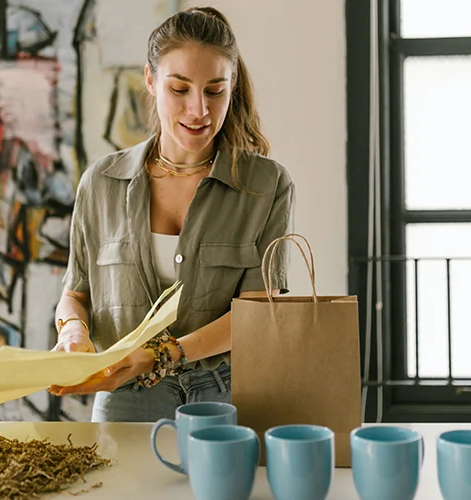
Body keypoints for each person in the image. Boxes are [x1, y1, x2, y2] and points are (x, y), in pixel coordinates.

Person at [48, 6, 295, 423]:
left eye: (215, 91)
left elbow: (257, 315)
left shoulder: (266, 186)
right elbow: (76, 294)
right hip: (123, 394)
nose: (198, 110)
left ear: (232, 87)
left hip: (229, 393)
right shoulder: (101, 182)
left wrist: (160, 355)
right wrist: (73, 331)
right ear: (150, 80)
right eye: (180, 89)